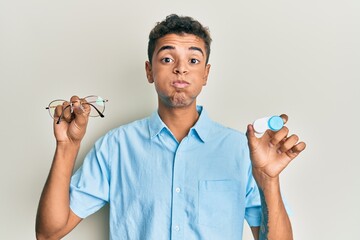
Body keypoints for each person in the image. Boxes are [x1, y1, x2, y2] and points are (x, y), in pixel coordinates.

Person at [36, 14, 306, 240]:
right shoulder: (116, 147)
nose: (180, 69)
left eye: (193, 60)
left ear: (206, 74)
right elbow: (49, 232)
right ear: (149, 71)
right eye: (167, 59)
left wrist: (269, 181)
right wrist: (66, 146)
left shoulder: (241, 150)